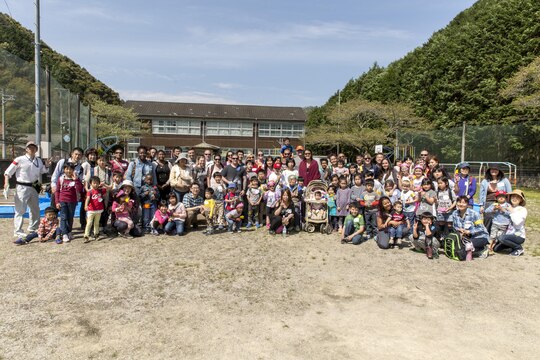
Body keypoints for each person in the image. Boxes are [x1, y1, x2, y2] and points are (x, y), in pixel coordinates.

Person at [4, 141, 50, 237]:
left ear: (36, 149)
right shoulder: (19, 159)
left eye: (34, 147)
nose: (32, 149)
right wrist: (6, 183)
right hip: (22, 185)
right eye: (30, 147)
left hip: (35, 184)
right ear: (26, 149)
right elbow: (8, 172)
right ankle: (18, 230)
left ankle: (34, 227)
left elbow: (43, 171)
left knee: (35, 208)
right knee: (20, 209)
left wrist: (47, 165)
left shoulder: (38, 160)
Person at [55, 162, 84, 244]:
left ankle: (69, 231)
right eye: (67, 169)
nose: (68, 171)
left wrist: (76, 180)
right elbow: (57, 191)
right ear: (64, 170)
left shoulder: (76, 178)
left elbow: (79, 189)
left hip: (72, 201)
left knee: (70, 217)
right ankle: (64, 234)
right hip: (63, 200)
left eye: (71, 169)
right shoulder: (61, 178)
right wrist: (57, 202)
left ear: (73, 170)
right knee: (63, 217)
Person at [479, 163, 512, 232]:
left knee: (500, 220)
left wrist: (509, 205)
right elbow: (481, 194)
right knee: (488, 219)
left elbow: (509, 193)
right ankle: (486, 235)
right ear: (489, 170)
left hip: (501, 203)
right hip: (488, 203)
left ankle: (498, 238)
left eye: (496, 169)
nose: (494, 171)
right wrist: (481, 205)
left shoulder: (505, 180)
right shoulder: (485, 181)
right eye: (492, 169)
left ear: (499, 171)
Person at [494, 190, 527, 256]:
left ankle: (518, 248)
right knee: (496, 249)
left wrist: (512, 211)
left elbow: (517, 222)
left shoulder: (522, 210)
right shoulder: (508, 207)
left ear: (521, 200)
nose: (514, 198)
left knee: (501, 238)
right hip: (508, 234)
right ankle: (512, 246)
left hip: (518, 235)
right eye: (513, 196)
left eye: (517, 197)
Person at [83, 176, 108, 243]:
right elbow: (87, 199)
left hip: (99, 210)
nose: (96, 184)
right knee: (89, 223)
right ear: (91, 184)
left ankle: (96, 234)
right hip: (91, 210)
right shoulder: (90, 192)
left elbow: (107, 189)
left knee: (96, 223)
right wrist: (86, 205)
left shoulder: (101, 190)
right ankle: (86, 236)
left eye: (97, 183)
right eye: (94, 183)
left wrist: (103, 185)